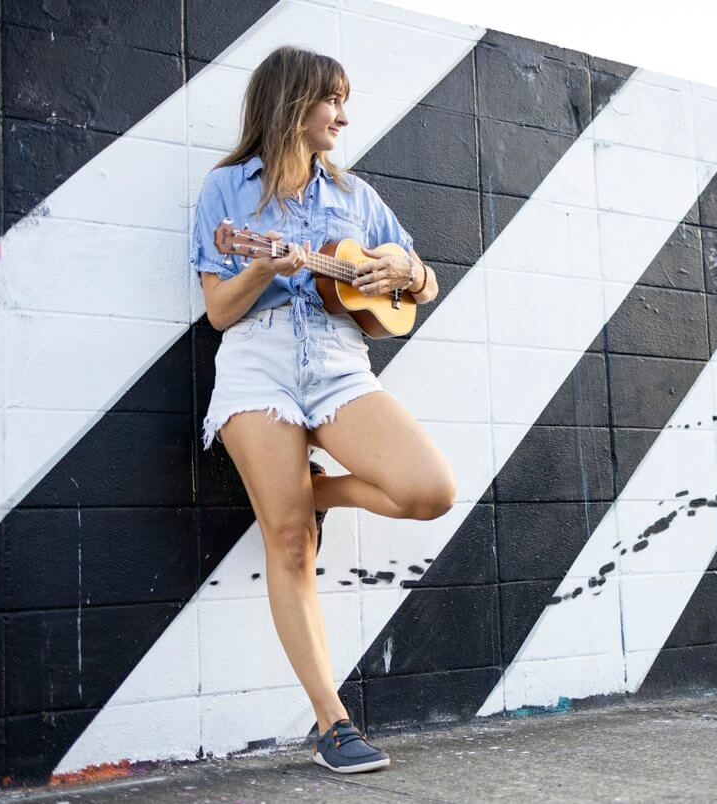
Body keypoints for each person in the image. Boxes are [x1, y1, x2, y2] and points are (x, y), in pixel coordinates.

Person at [190, 45, 457, 774]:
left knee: (430, 490)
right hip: (260, 361)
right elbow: (218, 311)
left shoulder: (357, 196)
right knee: (289, 541)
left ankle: (310, 491)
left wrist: (409, 268)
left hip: (341, 363)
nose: (343, 114)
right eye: (331, 99)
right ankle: (333, 724)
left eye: (343, 100)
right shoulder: (227, 192)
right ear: (290, 105)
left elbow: (418, 286)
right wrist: (260, 266)